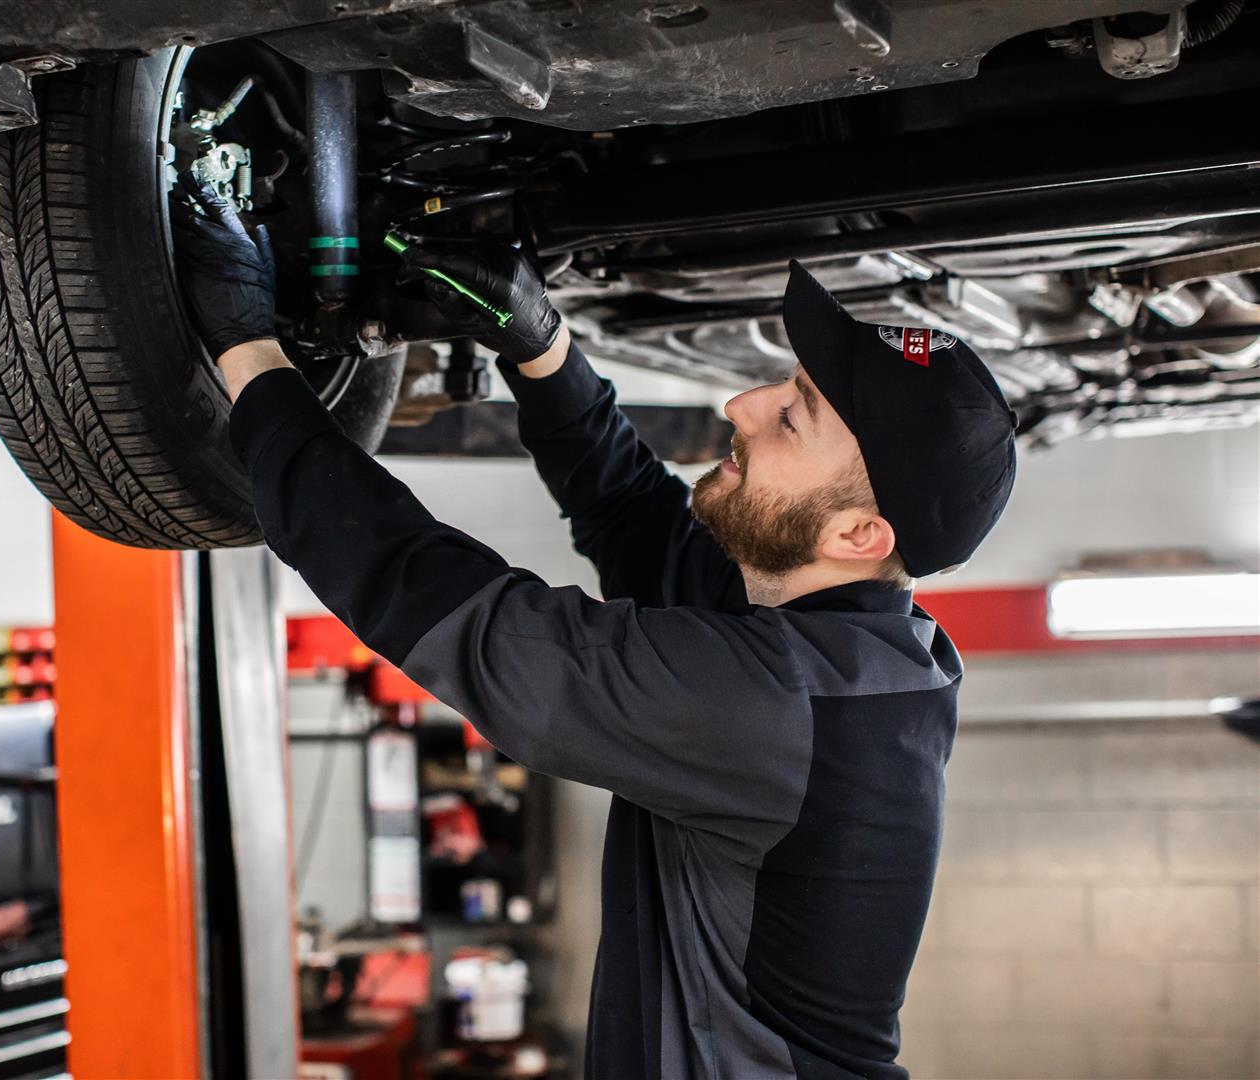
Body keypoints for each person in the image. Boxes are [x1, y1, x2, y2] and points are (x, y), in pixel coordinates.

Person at [173, 179, 1017, 1079]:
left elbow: (450, 609)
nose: (742, 405)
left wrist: (249, 352)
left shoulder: (782, 707)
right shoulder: (859, 647)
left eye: (791, 415)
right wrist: (541, 342)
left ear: (858, 534)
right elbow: (632, 516)